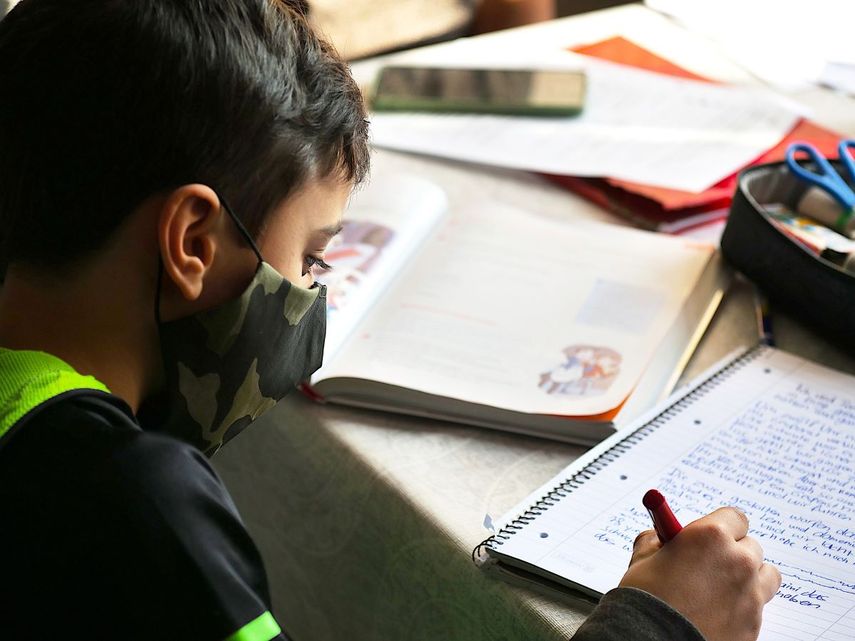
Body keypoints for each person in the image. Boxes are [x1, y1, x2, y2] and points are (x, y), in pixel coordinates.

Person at [0, 1, 780, 640]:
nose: (311, 293)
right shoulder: (131, 500)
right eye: (309, 258)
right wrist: (660, 623)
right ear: (194, 242)